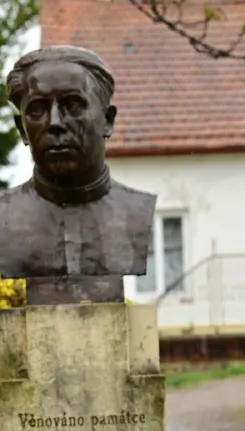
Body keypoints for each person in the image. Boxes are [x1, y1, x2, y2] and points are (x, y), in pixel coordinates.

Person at [0, 45, 155, 280]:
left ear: (107, 120)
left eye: (73, 106)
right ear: (22, 129)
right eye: (37, 110)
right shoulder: (4, 217)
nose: (54, 123)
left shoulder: (137, 212)